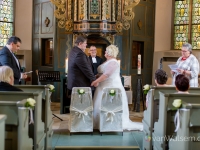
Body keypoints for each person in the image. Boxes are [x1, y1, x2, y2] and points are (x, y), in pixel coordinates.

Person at [91, 44, 143, 131]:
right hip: (103, 87)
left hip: (110, 87)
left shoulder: (113, 62)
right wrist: (96, 77)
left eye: (106, 51)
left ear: (110, 53)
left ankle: (110, 124)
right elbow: (102, 73)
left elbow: (106, 75)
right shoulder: (108, 61)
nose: (105, 52)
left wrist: (96, 81)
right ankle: (100, 123)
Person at [66, 36, 96, 112]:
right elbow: (86, 69)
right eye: (85, 43)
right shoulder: (79, 54)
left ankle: (79, 121)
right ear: (80, 43)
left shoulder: (73, 51)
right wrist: (93, 80)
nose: (86, 45)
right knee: (82, 108)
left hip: (75, 83)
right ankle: (81, 122)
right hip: (80, 84)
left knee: (78, 107)